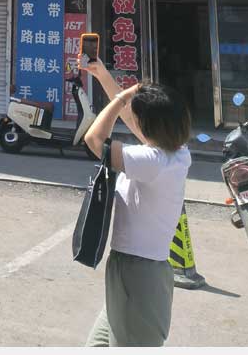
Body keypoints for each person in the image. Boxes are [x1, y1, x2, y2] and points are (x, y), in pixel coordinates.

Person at [81, 61, 191, 348]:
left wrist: (121, 98)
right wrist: (103, 76)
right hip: (130, 269)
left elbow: (94, 139)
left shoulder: (152, 161)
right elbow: (129, 118)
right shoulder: (177, 152)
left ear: (150, 126)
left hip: (140, 275)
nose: (135, 123)